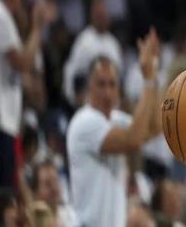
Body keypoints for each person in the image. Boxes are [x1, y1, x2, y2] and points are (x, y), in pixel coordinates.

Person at [66, 28, 161, 227]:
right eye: (101, 84)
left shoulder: (116, 120)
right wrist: (147, 81)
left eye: (112, 84)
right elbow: (134, 139)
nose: (107, 92)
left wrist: (153, 73)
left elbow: (153, 127)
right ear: (89, 87)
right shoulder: (84, 121)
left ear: (119, 90)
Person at [0, 0, 53, 190]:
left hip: (5, 119)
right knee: (2, 194)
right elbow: (22, 63)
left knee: (4, 192)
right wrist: (37, 29)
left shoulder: (1, 16)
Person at [63, 0, 123, 108]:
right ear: (92, 16)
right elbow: (73, 75)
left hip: (111, 105)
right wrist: (76, 99)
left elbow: (118, 78)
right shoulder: (84, 41)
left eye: (103, 14)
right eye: (98, 14)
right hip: (89, 104)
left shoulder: (114, 43)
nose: (102, 18)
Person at [30, 159, 78, 227]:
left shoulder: (71, 214)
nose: (54, 188)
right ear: (36, 193)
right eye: (47, 184)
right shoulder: (30, 222)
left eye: (55, 181)